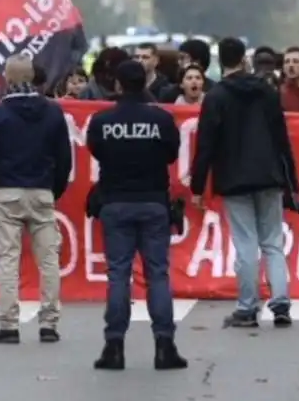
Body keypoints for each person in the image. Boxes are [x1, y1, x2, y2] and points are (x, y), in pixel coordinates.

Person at [190, 37, 299, 328]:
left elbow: (206, 144)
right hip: (269, 174)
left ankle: (248, 306)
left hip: (233, 177)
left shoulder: (216, 97)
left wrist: (198, 186)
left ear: (220, 61)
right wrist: (292, 180)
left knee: (246, 243)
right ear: (244, 58)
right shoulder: (266, 91)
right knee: (272, 242)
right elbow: (281, 138)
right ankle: (280, 302)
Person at [85, 60, 187, 371]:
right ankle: (164, 346)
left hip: (115, 202)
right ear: (144, 83)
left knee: (118, 274)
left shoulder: (102, 121)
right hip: (154, 202)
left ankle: (114, 347)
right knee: (157, 274)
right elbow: (171, 153)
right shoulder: (161, 119)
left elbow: (97, 151)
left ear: (117, 84)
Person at [0, 54, 72, 344]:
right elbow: (64, 157)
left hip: (6, 192)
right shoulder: (53, 112)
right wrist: (55, 189)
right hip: (41, 191)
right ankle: (49, 323)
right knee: (48, 260)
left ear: (9, 78)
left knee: (8, 260)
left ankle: (9, 324)